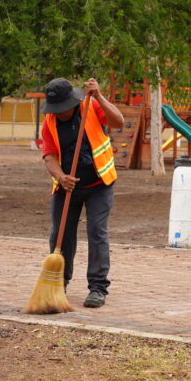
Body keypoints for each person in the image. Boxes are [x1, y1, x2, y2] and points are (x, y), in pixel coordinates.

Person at [40, 77, 124, 308]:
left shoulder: (91, 106)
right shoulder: (49, 122)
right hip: (67, 187)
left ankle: (97, 288)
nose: (60, 114)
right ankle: (59, 283)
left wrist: (99, 96)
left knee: (97, 231)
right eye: (56, 110)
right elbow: (49, 156)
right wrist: (61, 177)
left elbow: (118, 122)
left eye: (63, 109)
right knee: (60, 234)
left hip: (99, 183)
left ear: (72, 102)